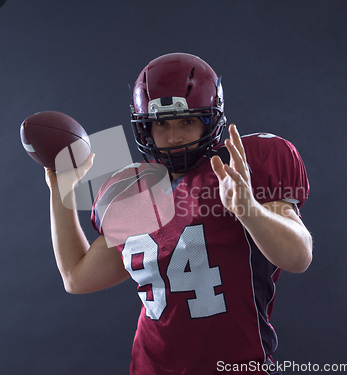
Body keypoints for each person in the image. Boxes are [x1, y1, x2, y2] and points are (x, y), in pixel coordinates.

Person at [45, 53, 312, 375]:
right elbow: (76, 278)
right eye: (161, 124)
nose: (173, 137)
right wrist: (59, 191)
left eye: (187, 121)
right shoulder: (130, 185)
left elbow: (299, 257)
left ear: (210, 120)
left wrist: (248, 209)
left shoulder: (242, 164)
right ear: (144, 127)